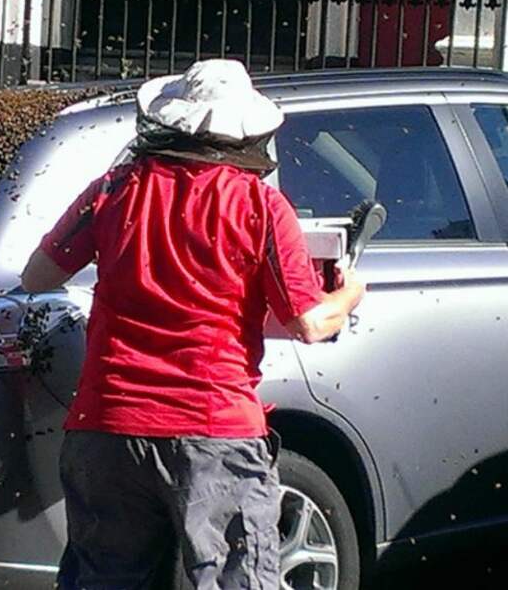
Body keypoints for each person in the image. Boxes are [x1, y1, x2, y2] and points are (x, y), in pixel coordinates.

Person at [20, 59, 365, 590]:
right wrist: (350, 292)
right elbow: (310, 324)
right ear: (247, 134)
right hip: (213, 428)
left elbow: (37, 276)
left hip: (106, 428)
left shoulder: (113, 189)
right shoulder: (260, 204)